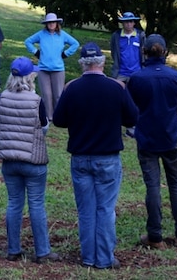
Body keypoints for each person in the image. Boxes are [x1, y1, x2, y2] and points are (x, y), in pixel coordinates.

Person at [52, 42, 138, 269]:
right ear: (101, 62)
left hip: (81, 157)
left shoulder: (72, 87)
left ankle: (89, 256)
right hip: (108, 157)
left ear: (82, 63)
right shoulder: (117, 87)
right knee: (105, 209)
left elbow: (59, 120)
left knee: (86, 210)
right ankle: (104, 258)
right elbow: (132, 119)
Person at [0, 57, 59, 264]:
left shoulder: (0, 98)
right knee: (36, 204)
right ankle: (42, 252)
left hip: (9, 160)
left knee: (14, 203)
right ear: (31, 77)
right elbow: (44, 127)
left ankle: (13, 249)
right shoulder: (37, 100)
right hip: (33, 160)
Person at [126, 35, 177, 249]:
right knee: (175, 183)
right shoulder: (175, 76)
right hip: (170, 135)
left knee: (152, 185)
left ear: (144, 52)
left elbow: (131, 107)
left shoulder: (137, 78)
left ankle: (155, 235)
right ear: (165, 52)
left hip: (147, 136)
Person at [24, 13, 80, 120]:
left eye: (53, 22)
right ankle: (48, 116)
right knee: (46, 94)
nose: (51, 24)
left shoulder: (62, 35)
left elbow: (75, 44)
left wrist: (65, 54)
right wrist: (36, 52)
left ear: (57, 23)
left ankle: (58, 116)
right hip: (43, 68)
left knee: (58, 94)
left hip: (58, 69)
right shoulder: (41, 34)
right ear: (46, 24)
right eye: (49, 23)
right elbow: (28, 41)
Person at [109, 11, 146, 81]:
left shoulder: (140, 35)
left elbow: (144, 53)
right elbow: (113, 52)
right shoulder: (116, 36)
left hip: (137, 72)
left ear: (134, 23)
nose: (128, 24)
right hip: (120, 73)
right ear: (122, 23)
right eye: (126, 22)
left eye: (131, 21)